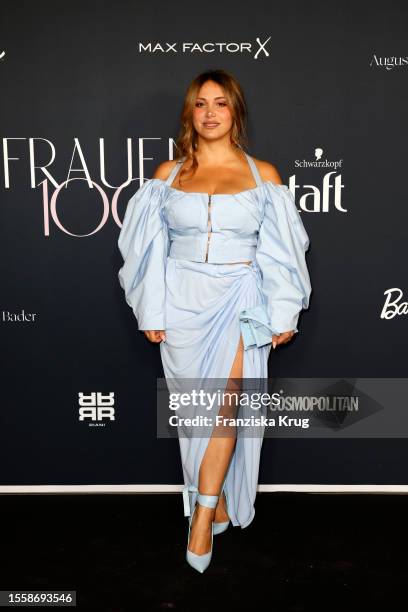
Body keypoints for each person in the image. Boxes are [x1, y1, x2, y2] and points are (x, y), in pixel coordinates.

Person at [117, 69, 312, 573]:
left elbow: (283, 252)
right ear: (190, 113)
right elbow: (146, 253)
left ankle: (201, 517)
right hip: (182, 301)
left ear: (235, 112)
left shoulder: (263, 176)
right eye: (200, 104)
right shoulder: (167, 176)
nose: (209, 113)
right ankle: (216, 498)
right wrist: (152, 309)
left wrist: (283, 309)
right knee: (196, 416)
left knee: (225, 405)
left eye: (220, 104)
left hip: (240, 298)